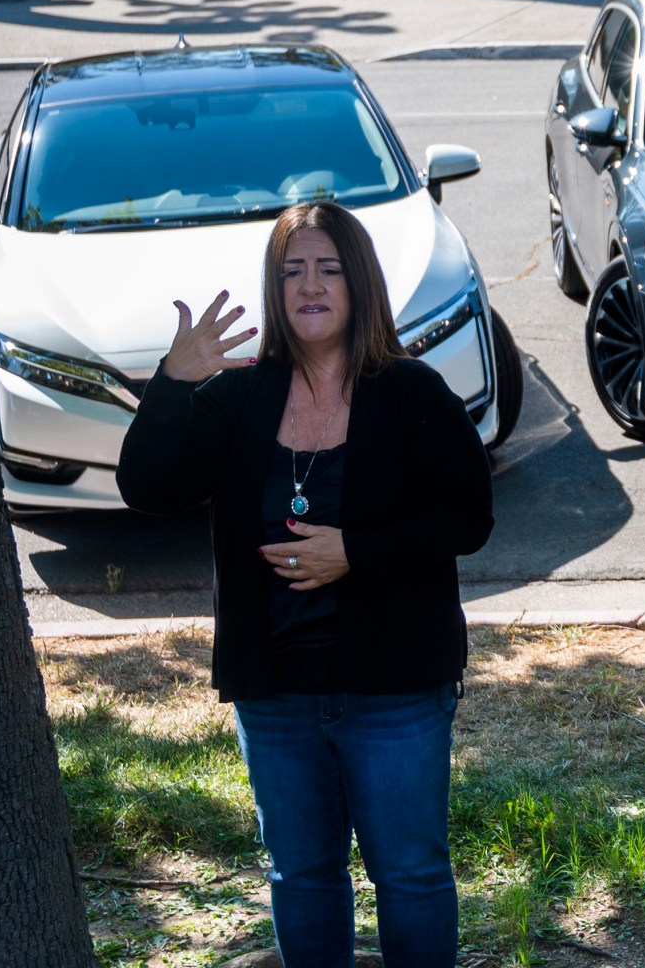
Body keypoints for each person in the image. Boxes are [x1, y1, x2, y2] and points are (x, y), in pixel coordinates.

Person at [117, 201, 493, 968]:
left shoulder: (411, 392)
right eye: (293, 271)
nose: (311, 286)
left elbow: (468, 516)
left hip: (394, 692)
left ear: (358, 285)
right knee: (302, 877)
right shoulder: (239, 398)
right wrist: (171, 381)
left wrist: (357, 550)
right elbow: (146, 487)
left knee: (412, 876)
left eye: (328, 269)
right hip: (276, 693)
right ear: (275, 289)